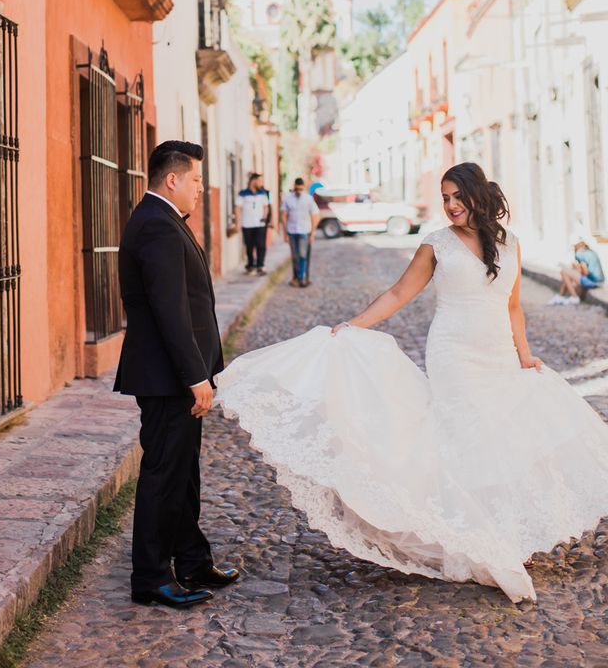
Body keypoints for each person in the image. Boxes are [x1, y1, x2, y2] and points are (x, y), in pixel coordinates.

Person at [217, 162, 608, 603]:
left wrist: (523, 353)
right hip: (453, 354)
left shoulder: (509, 243)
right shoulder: (435, 244)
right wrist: (354, 324)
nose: (451, 206)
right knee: (465, 434)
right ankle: (474, 535)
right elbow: (400, 293)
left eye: (457, 197)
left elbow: (513, 307)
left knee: (499, 438)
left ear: (478, 196)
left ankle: (504, 533)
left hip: (497, 352)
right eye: (445, 198)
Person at [114, 140, 240, 608]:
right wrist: (194, 377)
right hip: (168, 379)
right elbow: (170, 312)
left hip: (178, 375)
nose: (199, 189)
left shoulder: (162, 221)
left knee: (184, 474)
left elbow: (190, 305)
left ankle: (191, 560)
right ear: (172, 179)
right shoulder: (157, 226)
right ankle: (149, 578)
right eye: (194, 180)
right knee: (164, 475)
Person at [280, 177, 320, 288]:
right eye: (296, 189)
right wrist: (285, 232)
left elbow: (315, 216)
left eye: (300, 189)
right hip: (292, 231)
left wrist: (312, 233)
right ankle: (296, 278)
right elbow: (283, 215)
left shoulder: (308, 199)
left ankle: (302, 278)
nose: (298, 191)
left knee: (303, 256)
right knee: (295, 256)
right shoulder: (288, 199)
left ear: (303, 187)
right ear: (294, 187)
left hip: (304, 231)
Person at [236, 172, 272, 275]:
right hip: (247, 224)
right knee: (249, 246)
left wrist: (264, 217)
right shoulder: (243, 194)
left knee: (261, 245)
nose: (261, 183)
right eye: (259, 181)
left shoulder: (263, 193)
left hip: (260, 224)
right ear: (253, 181)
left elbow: (266, 207)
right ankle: (251, 265)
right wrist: (238, 223)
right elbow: (238, 208)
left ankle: (260, 265)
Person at [550, 240, 605, 305]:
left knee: (564, 271)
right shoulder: (591, 252)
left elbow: (585, 272)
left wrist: (575, 268)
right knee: (568, 273)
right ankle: (560, 296)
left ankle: (574, 297)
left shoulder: (579, 254)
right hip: (600, 282)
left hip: (593, 283)